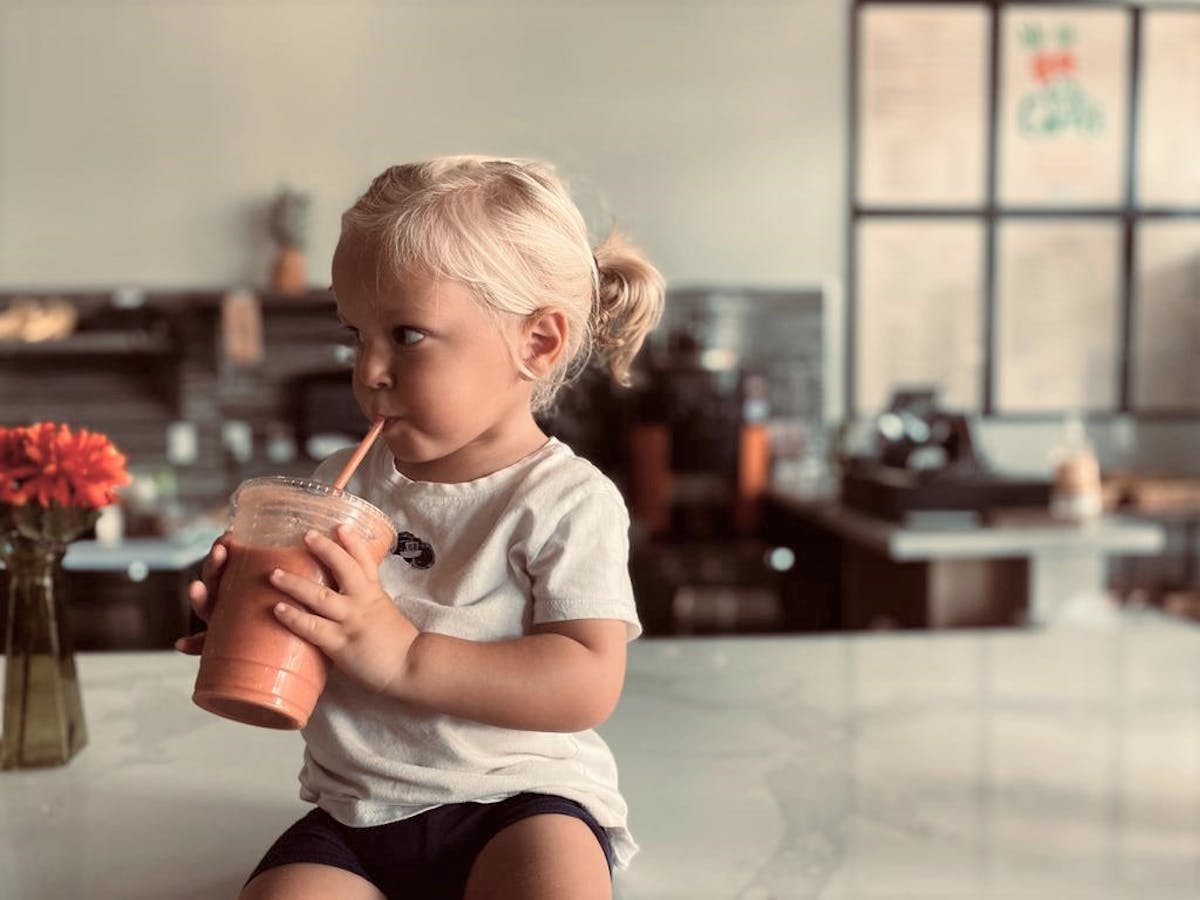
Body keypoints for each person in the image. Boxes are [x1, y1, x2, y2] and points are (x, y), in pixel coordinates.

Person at [176, 156, 665, 900]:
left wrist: (402, 656)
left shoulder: (565, 500)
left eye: (406, 335)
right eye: (355, 334)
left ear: (536, 343)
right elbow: (320, 631)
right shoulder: (341, 483)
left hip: (520, 803)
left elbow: (587, 681)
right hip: (355, 812)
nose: (368, 369)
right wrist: (248, 612)